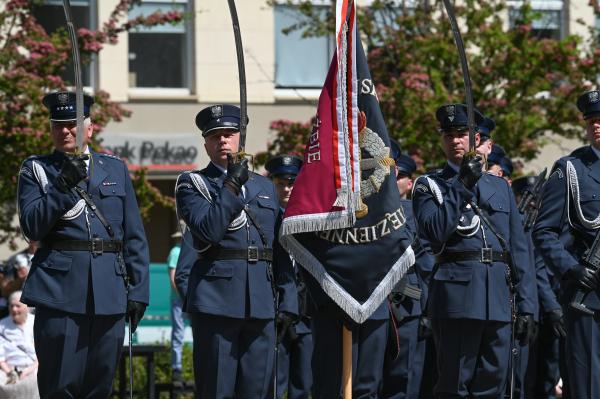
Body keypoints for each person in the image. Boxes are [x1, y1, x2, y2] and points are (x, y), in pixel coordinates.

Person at [17, 91, 149, 398]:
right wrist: (62, 185)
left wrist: (139, 290)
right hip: (59, 292)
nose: (66, 130)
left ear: (89, 128)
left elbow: (133, 235)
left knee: (99, 386)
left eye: (73, 124)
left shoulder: (114, 168)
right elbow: (32, 226)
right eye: (58, 125)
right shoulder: (36, 169)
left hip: (109, 292)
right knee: (61, 387)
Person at [412, 103, 536, 398]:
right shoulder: (429, 185)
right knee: (455, 382)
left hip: (498, 297)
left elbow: (519, 250)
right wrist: (463, 184)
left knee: (494, 381)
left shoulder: (500, 187)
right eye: (449, 134)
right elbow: (435, 232)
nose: (455, 140)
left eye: (462, 133)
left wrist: (529, 306)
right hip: (457, 295)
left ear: (476, 139)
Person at [175, 104, 298, 398]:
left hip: (261, 302)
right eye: (215, 135)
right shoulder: (193, 184)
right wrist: (231, 184)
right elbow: (209, 230)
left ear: (240, 137)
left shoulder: (265, 187)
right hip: (216, 302)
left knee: (257, 389)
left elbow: (279, 249)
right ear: (205, 143)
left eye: (229, 134)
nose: (223, 141)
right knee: (217, 388)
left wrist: (289, 299)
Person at [532, 89, 600, 399]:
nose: (597, 126)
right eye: (592, 121)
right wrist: (571, 269)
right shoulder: (570, 169)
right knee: (588, 380)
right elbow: (543, 231)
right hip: (588, 295)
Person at [381, 140, 434, 399]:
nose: (393, 177)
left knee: (404, 380)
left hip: (407, 306)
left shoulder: (415, 211)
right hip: (371, 305)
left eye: (399, 174)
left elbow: (426, 264)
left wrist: (427, 309)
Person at [512, 176, 565, 398]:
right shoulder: (522, 227)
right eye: (527, 197)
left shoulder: (548, 223)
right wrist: (552, 307)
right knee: (529, 377)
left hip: (553, 305)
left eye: (537, 198)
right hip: (536, 309)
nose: (533, 203)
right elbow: (537, 271)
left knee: (548, 375)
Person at [265, 154, 313, 399]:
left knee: (303, 384)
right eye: (279, 183)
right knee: (274, 384)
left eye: (291, 182)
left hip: (306, 315)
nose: (285, 188)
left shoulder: (311, 219)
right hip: (275, 312)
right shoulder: (264, 218)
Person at [0, 291, 38, 399]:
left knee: (36, 380)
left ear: (26, 307)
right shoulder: (1, 326)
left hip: (34, 367)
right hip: (10, 370)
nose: (14, 309)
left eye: (18, 306)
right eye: (11, 306)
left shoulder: (35, 322)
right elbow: (0, 357)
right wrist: (10, 372)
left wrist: (27, 371)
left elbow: (43, 353)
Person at [167, 226, 185, 387]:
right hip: (180, 299)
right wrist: (184, 294)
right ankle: (177, 369)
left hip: (188, 298)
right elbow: (174, 279)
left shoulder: (191, 249)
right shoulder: (175, 252)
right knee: (179, 333)